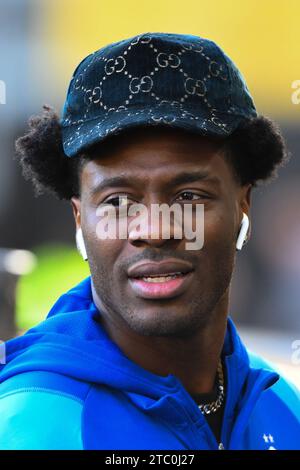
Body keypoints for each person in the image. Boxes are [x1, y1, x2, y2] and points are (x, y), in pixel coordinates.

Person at [0, 32, 299, 450]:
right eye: (118, 201)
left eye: (189, 196)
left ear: (243, 205)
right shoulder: (30, 427)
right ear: (79, 219)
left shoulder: (283, 409)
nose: (155, 229)